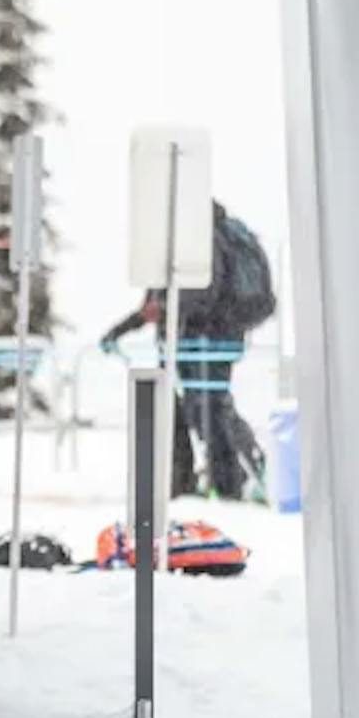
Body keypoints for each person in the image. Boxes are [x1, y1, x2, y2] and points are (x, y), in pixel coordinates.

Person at [101, 199, 274, 499]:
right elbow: (151, 306)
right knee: (198, 408)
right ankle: (214, 476)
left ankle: (230, 483)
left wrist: (166, 308)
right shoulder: (180, 248)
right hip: (196, 341)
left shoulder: (201, 243)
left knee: (206, 408)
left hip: (207, 340)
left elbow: (204, 294)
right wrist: (118, 330)